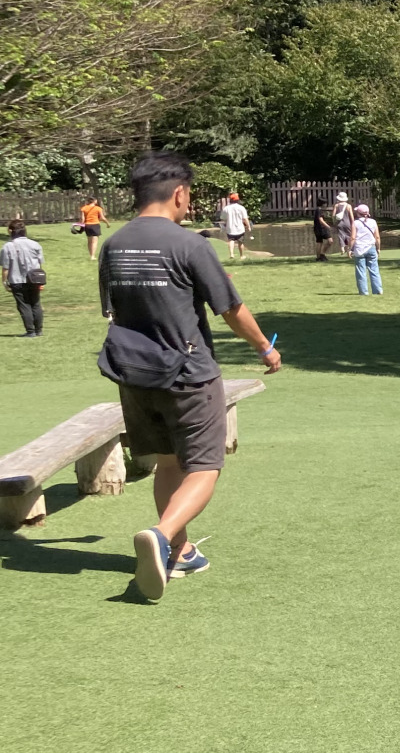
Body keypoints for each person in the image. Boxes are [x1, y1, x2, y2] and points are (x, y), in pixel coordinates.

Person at [98, 153, 281, 600]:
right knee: (204, 467)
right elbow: (231, 310)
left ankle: (180, 552)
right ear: (178, 193)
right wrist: (265, 348)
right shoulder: (189, 244)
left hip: (134, 376)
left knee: (167, 461)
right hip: (188, 373)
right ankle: (161, 538)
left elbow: (113, 311)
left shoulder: (113, 244)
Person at [4, 218, 46, 336]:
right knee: (36, 303)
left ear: (11, 231)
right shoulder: (35, 244)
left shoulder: (8, 246)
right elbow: (39, 263)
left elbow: (6, 267)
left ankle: (30, 331)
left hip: (16, 279)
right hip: (34, 278)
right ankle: (39, 330)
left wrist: (4, 282)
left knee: (24, 305)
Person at [350, 203, 383, 295]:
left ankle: (363, 291)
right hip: (371, 247)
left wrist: (350, 249)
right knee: (374, 270)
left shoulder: (355, 223)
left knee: (361, 271)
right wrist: (378, 248)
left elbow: (353, 237)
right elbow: (377, 237)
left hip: (359, 249)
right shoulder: (373, 222)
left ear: (358, 213)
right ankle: (378, 290)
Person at [219, 192, 252, 259]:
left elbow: (223, 219)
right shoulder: (241, 208)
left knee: (231, 240)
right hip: (240, 228)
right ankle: (242, 256)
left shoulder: (226, 208)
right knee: (240, 242)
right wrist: (248, 226)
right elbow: (245, 219)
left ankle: (231, 254)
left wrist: (226, 224)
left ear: (230, 200)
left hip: (230, 228)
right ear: (237, 200)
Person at [78, 195, 106, 261]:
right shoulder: (98, 208)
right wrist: (107, 223)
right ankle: (93, 256)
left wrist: (81, 226)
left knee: (89, 241)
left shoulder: (84, 208)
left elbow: (82, 219)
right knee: (95, 241)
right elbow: (102, 218)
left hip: (87, 225)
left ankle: (91, 255)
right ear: (94, 201)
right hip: (95, 224)